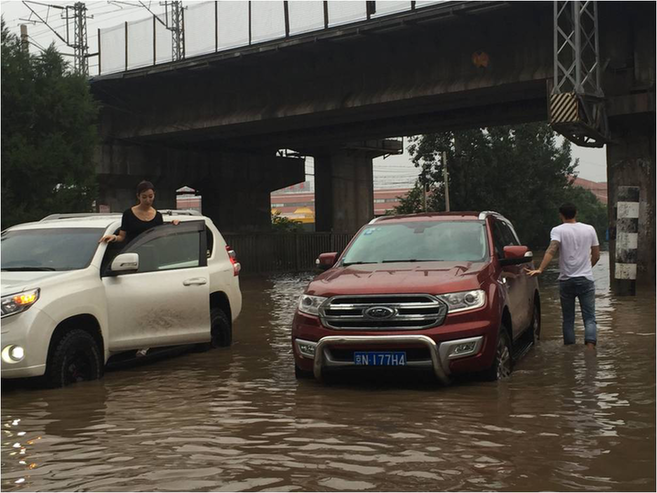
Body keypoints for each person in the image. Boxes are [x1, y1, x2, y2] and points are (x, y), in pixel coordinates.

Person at [526, 203, 600, 349]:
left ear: (561, 215)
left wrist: (540, 269)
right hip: (586, 279)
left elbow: (551, 250)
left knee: (568, 319)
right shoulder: (589, 229)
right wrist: (586, 268)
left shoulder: (557, 230)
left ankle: (570, 350)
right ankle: (591, 348)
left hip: (566, 280)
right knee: (590, 318)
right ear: (576, 213)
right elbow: (596, 255)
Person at [99, 180, 178, 245]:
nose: (148, 200)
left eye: (150, 196)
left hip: (153, 255)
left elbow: (161, 238)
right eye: (144, 197)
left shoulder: (158, 216)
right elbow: (122, 237)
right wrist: (114, 237)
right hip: (134, 253)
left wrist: (173, 226)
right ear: (138, 196)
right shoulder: (128, 214)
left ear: (154, 195)